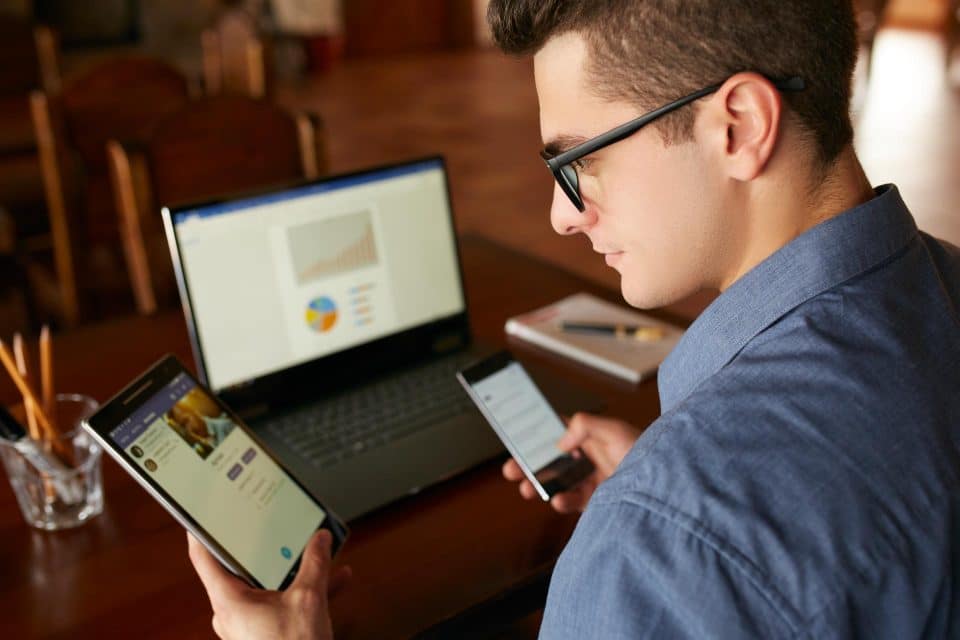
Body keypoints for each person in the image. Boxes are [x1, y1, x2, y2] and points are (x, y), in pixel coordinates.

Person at [187, 0, 960, 637]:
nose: (562, 215)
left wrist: (667, 506)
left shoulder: (655, 551)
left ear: (739, 126)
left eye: (578, 162)